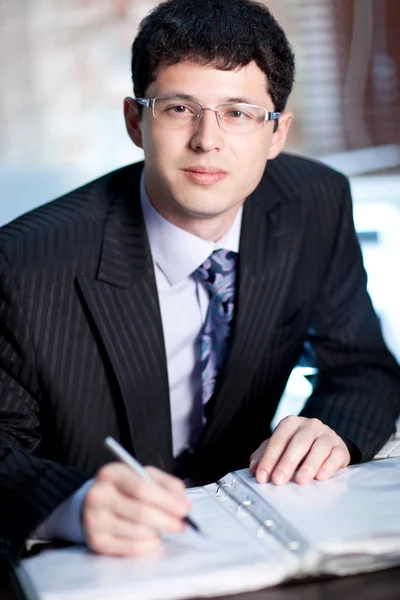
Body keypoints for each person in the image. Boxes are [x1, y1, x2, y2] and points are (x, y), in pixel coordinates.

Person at [0, 0, 399, 561]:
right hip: (100, 561)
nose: (207, 141)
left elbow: (364, 367)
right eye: (180, 108)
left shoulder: (314, 202)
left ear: (277, 133)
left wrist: (330, 428)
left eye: (238, 113)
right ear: (136, 121)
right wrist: (73, 503)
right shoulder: (22, 261)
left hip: (256, 537)